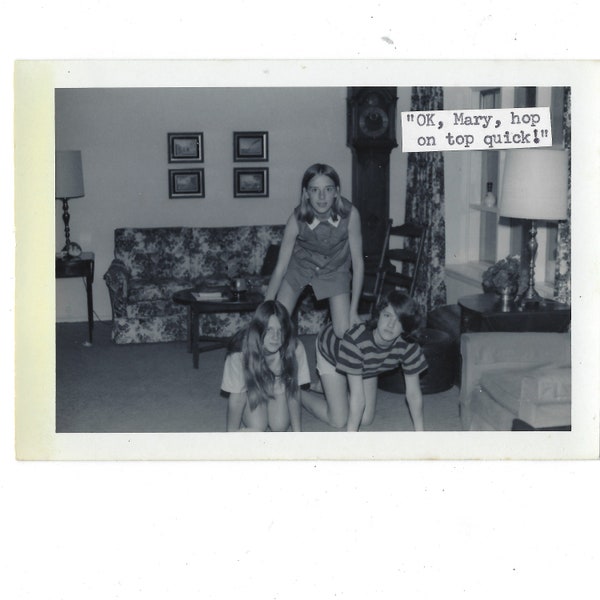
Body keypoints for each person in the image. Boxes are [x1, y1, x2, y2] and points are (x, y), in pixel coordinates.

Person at [302, 291, 428, 432]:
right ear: (378, 315)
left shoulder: (409, 345)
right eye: (387, 315)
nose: (390, 325)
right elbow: (358, 397)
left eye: (399, 320)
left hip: (368, 363)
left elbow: (413, 394)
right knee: (338, 420)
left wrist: (420, 434)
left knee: (366, 419)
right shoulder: (356, 341)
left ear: (406, 326)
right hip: (332, 351)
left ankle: (326, 388)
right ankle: (296, 392)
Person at [265, 163, 364, 339]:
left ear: (336, 192)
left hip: (335, 270)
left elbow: (358, 264)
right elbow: (281, 267)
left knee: (344, 331)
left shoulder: (351, 215)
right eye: (314, 190)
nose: (322, 196)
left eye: (328, 189)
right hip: (300, 268)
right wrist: (266, 307)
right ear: (306, 193)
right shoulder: (296, 219)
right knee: (276, 324)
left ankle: (329, 346)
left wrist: (354, 310)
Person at [221, 300, 310, 432]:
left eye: (280, 331)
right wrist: (230, 437)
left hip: (278, 388)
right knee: (257, 427)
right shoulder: (238, 352)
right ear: (258, 329)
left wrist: (298, 434)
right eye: (269, 330)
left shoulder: (296, 349)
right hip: (252, 389)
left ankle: (302, 399)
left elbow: (293, 391)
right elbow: (237, 398)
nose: (275, 337)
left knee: (280, 426)